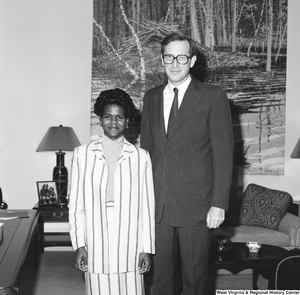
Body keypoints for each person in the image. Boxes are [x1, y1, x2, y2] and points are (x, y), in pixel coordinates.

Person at [140, 31, 234, 295]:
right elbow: (146, 155)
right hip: (158, 207)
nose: (175, 63)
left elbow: (224, 157)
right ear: (162, 60)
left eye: (182, 57)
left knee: (195, 281)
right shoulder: (151, 98)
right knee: (161, 282)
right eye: (169, 57)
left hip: (197, 206)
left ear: (192, 61)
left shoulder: (212, 96)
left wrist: (218, 204)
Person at [69, 88, 155, 295]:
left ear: (127, 121)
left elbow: (147, 207)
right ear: (100, 119)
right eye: (108, 116)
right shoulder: (82, 154)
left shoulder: (140, 157)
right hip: (95, 236)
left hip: (130, 238)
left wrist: (147, 248)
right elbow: (76, 207)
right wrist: (79, 244)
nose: (113, 122)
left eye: (119, 117)